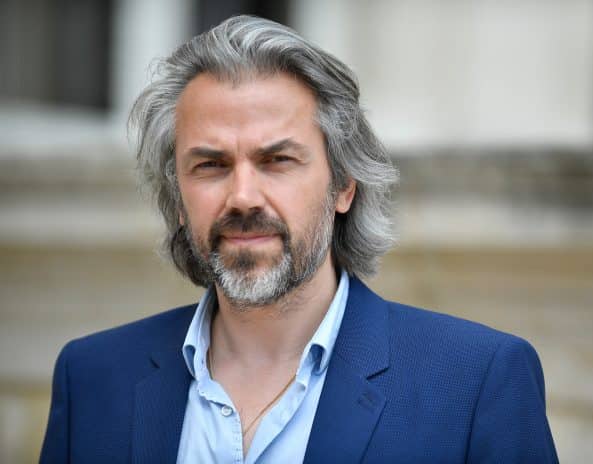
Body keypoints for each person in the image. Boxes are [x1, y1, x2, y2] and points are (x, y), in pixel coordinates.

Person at [40, 15, 558, 464]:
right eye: (211, 165)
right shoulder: (91, 379)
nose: (243, 197)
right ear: (178, 198)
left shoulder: (476, 382)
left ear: (344, 185)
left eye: (277, 160)